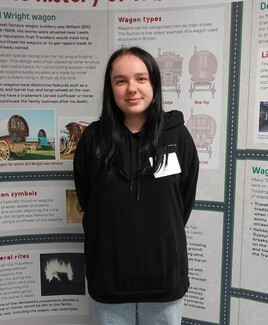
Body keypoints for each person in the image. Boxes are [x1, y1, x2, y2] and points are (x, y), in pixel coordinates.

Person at [73, 46, 199, 324]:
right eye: (121, 81)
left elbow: (182, 203)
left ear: (153, 83)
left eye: (141, 78)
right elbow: (88, 199)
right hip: (109, 278)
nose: (132, 88)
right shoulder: (93, 139)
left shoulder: (178, 136)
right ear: (111, 88)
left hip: (165, 278)